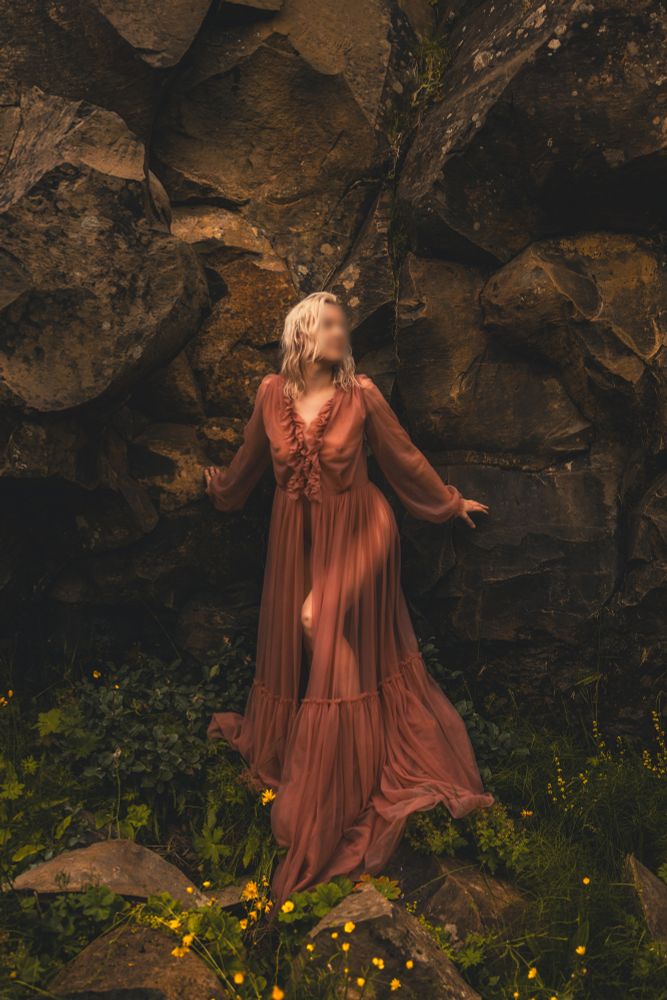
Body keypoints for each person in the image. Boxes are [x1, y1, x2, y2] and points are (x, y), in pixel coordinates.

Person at [202, 290, 493, 911]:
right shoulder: (270, 393)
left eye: (341, 324)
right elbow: (250, 462)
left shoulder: (361, 393)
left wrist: (447, 503)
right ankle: (357, 751)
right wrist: (220, 491)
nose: (340, 332)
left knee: (317, 619)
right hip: (299, 542)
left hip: (362, 529)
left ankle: (348, 773)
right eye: (329, 323)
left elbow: (402, 457)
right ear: (304, 331)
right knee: (312, 636)